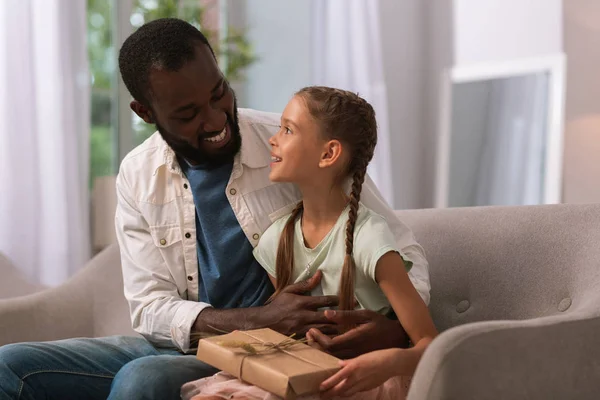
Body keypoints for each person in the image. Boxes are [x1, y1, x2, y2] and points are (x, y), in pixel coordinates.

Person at [0, 19, 431, 400]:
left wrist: (391, 330)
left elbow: (399, 250)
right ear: (145, 112)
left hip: (273, 351)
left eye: (218, 93)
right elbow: (149, 308)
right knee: (9, 365)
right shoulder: (137, 174)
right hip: (186, 343)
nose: (215, 120)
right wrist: (256, 318)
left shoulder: (296, 146)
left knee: (142, 380)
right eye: (188, 113)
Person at [181, 87, 438, 400]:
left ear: (328, 154)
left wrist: (393, 360)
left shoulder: (369, 238)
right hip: (301, 372)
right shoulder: (278, 238)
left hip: (360, 381)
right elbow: (289, 331)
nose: (273, 139)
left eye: (288, 129)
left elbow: (430, 344)